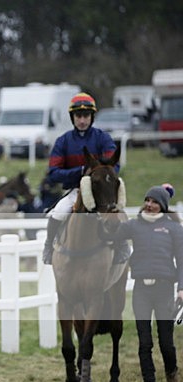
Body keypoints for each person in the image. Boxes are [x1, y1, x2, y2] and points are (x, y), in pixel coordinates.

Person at [101, 184, 183, 382]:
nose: (149, 205)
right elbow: (111, 237)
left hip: (165, 289)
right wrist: (106, 217)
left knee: (166, 341)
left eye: (155, 202)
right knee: (144, 342)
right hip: (141, 291)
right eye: (147, 200)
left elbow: (182, 261)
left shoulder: (174, 229)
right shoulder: (134, 226)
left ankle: (172, 375)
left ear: (163, 206)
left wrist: (181, 289)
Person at [42, 92, 128, 264]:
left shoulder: (103, 138)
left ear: (92, 117)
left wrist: (99, 175)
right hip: (75, 190)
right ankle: (49, 246)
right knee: (57, 213)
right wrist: (80, 171)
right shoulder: (63, 141)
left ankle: (122, 246)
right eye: (78, 116)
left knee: (117, 213)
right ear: (73, 117)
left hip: (101, 190)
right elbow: (53, 172)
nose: (82, 120)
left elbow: (114, 165)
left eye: (86, 116)